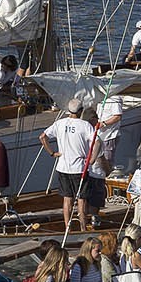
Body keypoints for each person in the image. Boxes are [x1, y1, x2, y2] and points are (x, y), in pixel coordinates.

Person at [41, 98, 98, 231]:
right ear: (81, 111)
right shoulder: (85, 126)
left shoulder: (59, 123)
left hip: (63, 167)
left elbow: (42, 137)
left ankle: (68, 227)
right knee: (81, 200)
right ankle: (83, 228)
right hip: (79, 168)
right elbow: (97, 142)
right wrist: (92, 159)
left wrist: (52, 153)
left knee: (67, 199)